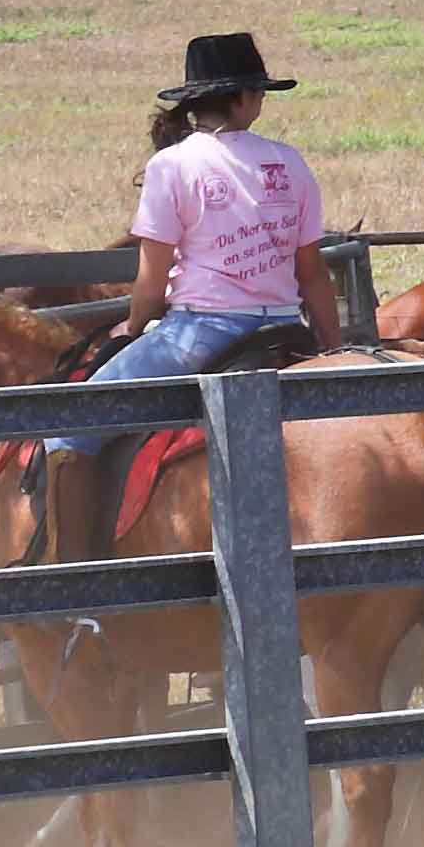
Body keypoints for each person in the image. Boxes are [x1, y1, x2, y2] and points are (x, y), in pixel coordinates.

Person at [53, 31, 342, 556]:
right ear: (241, 99)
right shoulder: (290, 163)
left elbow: (151, 277)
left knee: (68, 426)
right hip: (283, 328)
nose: (260, 101)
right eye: (258, 92)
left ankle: (74, 588)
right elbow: (313, 273)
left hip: (201, 333)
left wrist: (134, 327)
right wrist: (331, 345)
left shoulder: (173, 166)